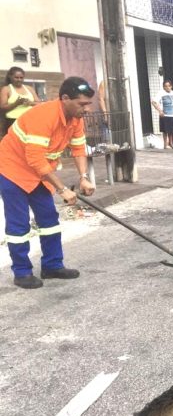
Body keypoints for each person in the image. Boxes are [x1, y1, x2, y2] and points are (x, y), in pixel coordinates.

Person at [0, 76, 96, 289]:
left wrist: (84, 178)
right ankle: (22, 272)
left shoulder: (75, 119)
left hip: (39, 173)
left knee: (49, 220)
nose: (86, 109)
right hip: (12, 171)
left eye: (88, 104)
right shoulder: (43, 116)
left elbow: (79, 148)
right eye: (82, 104)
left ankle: (52, 266)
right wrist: (62, 189)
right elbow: (35, 158)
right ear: (65, 98)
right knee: (19, 223)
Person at [0, 66, 41, 136]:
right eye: (16, 77)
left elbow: (40, 104)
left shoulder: (29, 88)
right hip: (13, 121)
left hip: (30, 120)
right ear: (10, 77)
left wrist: (30, 103)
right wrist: (16, 104)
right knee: (14, 144)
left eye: (21, 78)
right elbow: (2, 107)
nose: (19, 80)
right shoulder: (6, 89)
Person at [151, 79, 173, 149]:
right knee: (165, 131)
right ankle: (165, 145)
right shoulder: (161, 93)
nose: (167, 87)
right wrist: (160, 111)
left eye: (169, 86)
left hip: (172, 114)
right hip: (164, 114)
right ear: (163, 87)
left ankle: (171, 144)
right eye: (165, 86)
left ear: (171, 86)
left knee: (172, 130)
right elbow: (153, 102)